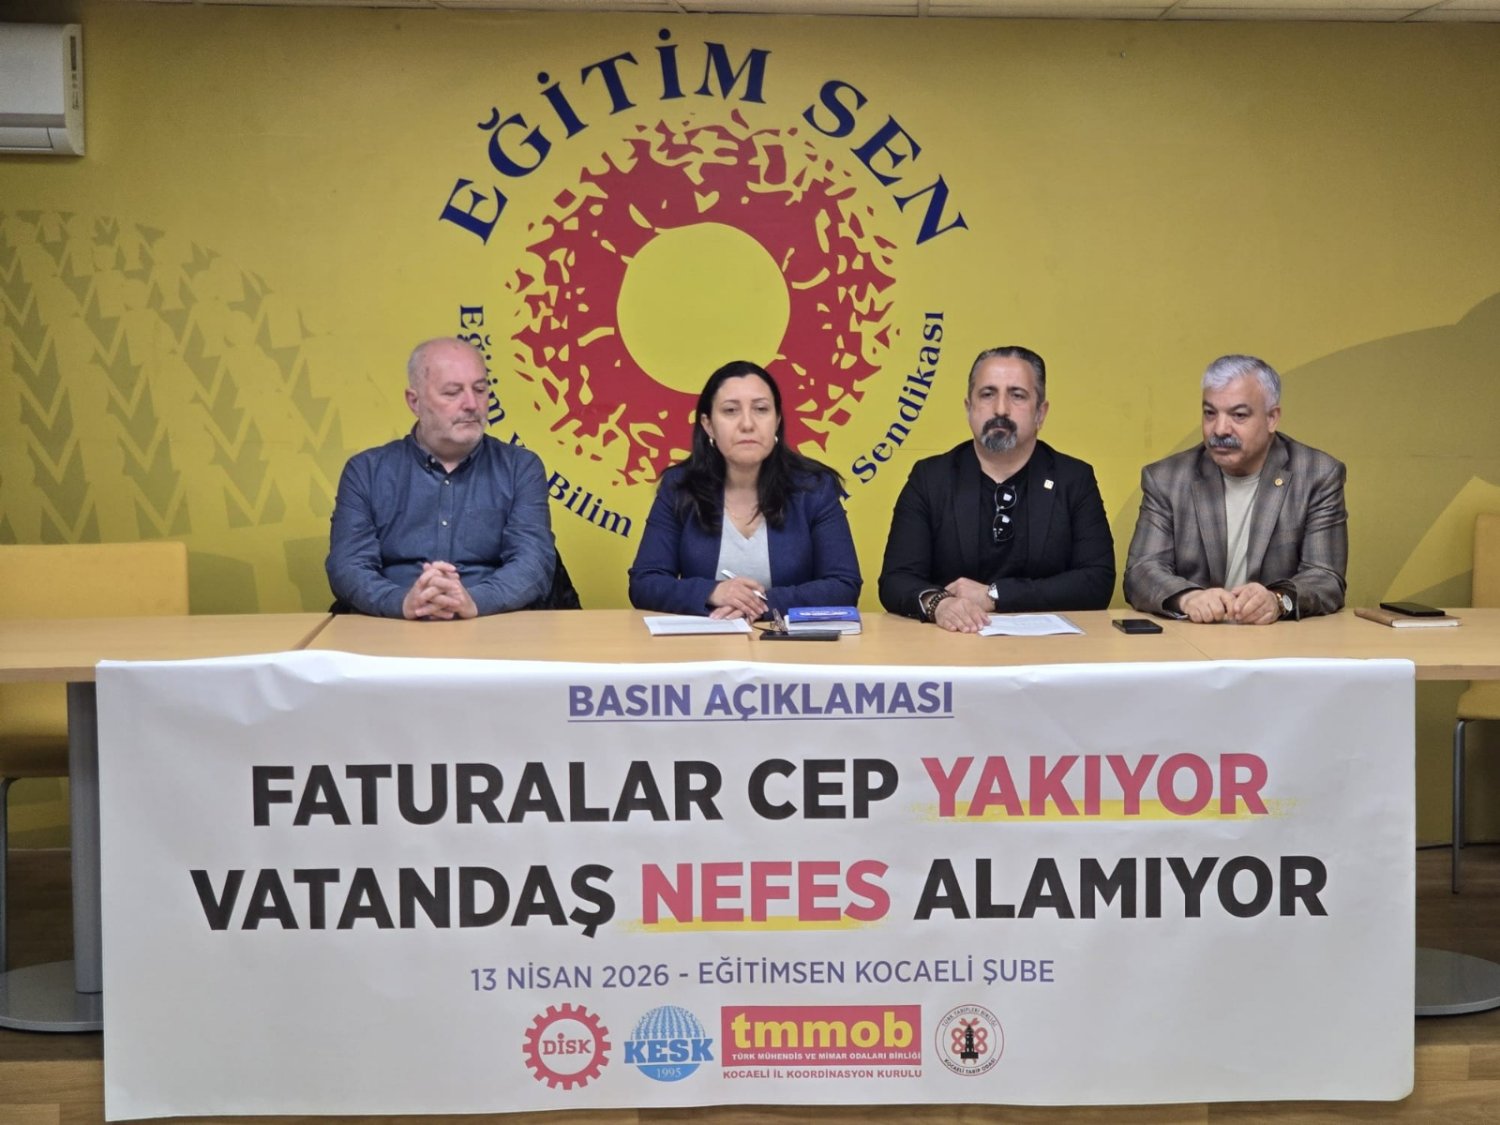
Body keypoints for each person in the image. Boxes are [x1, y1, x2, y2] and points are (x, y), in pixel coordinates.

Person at [878, 346, 1115, 631]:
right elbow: (896, 580)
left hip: (1050, 647)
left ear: (1041, 413)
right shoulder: (931, 478)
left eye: (1017, 395)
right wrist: (938, 604)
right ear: (969, 408)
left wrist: (996, 595)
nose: (1001, 409)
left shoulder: (1073, 479)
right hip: (953, 641)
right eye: (988, 394)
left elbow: (1097, 581)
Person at [326, 337, 556, 619]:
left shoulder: (520, 468)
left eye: (480, 389)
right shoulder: (366, 472)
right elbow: (348, 566)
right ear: (415, 402)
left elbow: (534, 563)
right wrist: (403, 603)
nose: (471, 404)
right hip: (391, 626)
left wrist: (473, 601)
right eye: (452, 392)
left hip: (491, 624)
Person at [1123, 353, 1347, 624]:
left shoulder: (1317, 474)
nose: (1219, 429)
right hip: (1193, 634)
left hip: (1275, 637)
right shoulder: (1167, 478)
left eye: (1238, 415)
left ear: (1272, 418)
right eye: (1210, 413)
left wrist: (1277, 600)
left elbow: (1326, 577)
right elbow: (1141, 571)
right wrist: (1188, 598)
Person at [628, 360, 861, 619]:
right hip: (704, 640)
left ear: (777, 420)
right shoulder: (679, 487)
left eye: (761, 409)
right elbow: (645, 583)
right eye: (731, 411)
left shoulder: (814, 487)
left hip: (790, 640)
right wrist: (712, 592)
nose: (747, 424)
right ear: (708, 425)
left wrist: (758, 604)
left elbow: (843, 585)